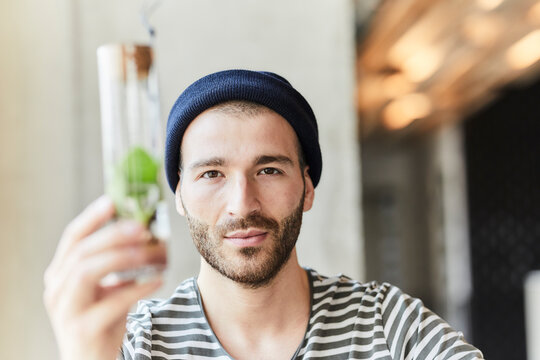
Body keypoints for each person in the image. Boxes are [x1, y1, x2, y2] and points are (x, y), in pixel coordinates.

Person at [44, 70, 483, 360]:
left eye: (269, 170)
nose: (242, 203)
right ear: (178, 194)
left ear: (307, 187)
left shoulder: (388, 326)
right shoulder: (133, 344)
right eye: (212, 173)